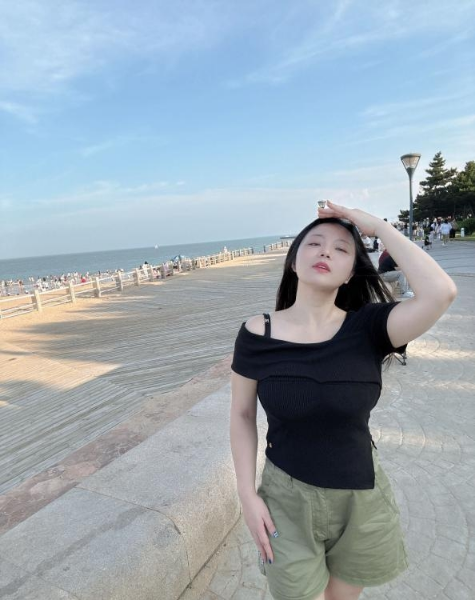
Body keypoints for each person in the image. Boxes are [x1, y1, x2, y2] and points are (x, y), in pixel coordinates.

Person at [230, 201, 457, 600]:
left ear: (352, 271)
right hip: (286, 500)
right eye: (314, 243)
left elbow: (441, 292)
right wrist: (247, 496)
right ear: (293, 261)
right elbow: (242, 414)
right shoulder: (257, 333)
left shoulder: (369, 327)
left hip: (361, 498)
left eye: (341, 249)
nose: (325, 252)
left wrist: (378, 227)